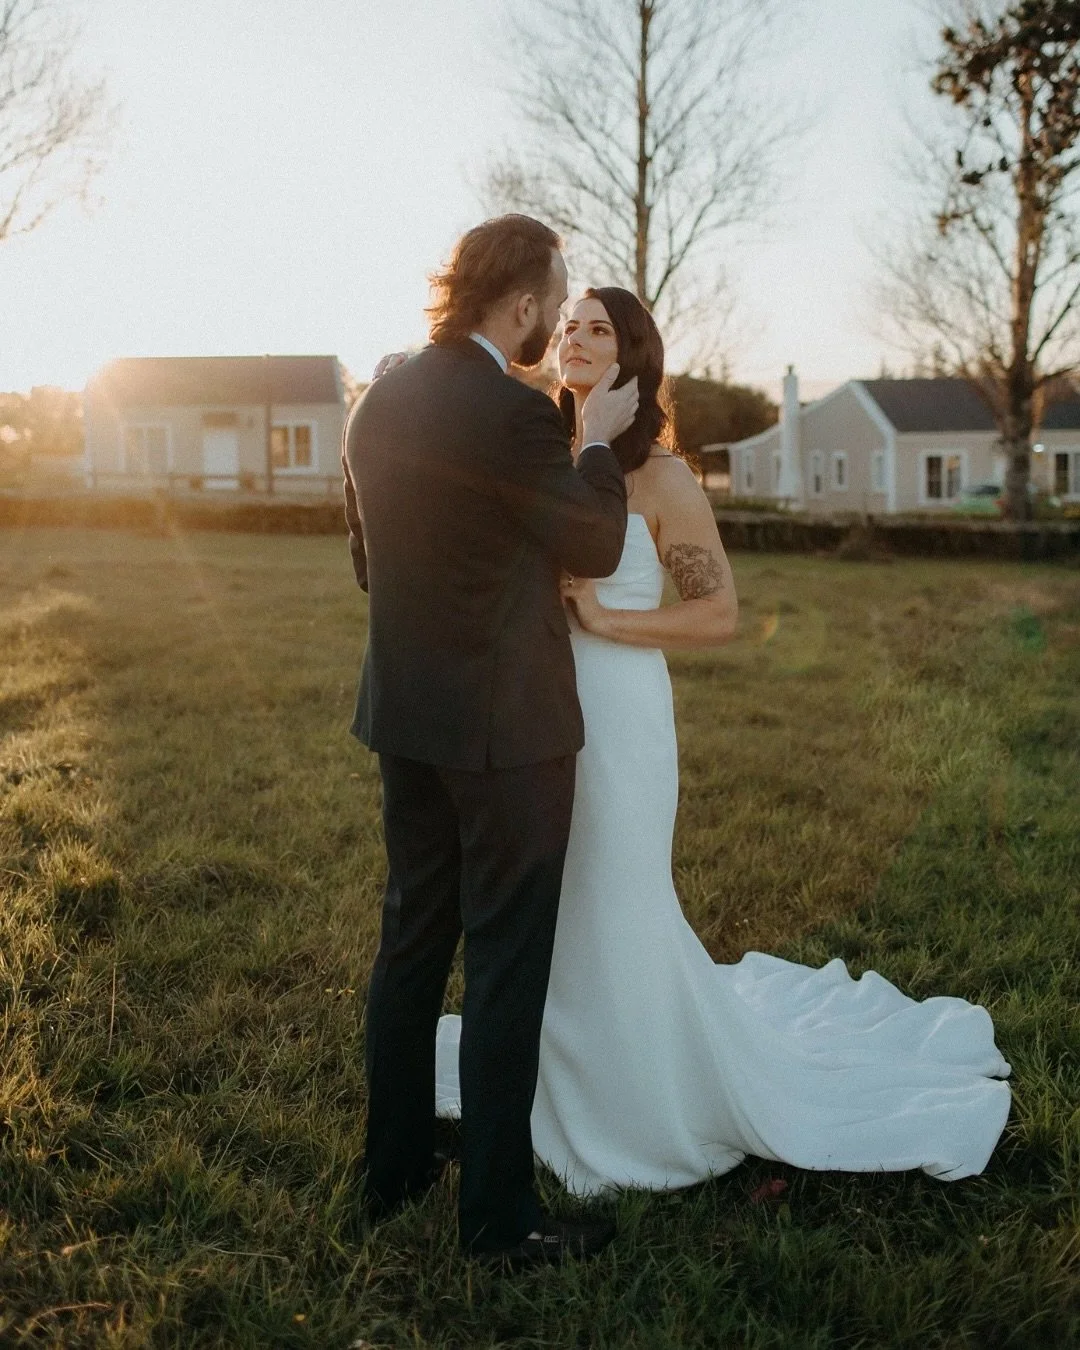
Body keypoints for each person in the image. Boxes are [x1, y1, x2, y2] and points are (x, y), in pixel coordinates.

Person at [433, 286, 1012, 1197]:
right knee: (547, 898)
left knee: (612, 893)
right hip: (529, 706)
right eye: (571, 325)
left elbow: (719, 614)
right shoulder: (543, 454)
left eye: (601, 328)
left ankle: (638, 1099)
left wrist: (606, 622)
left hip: (620, 713)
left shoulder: (662, 477)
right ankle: (550, 1078)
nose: (578, 337)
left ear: (632, 357)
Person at [341, 216, 640, 1268]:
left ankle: (394, 1169)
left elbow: (368, 559)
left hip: (407, 719)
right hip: (506, 734)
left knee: (413, 942)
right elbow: (595, 543)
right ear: (517, 303)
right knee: (507, 967)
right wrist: (595, 442)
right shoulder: (514, 418)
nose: (553, 323)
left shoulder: (377, 401)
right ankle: (502, 1221)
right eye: (552, 306)